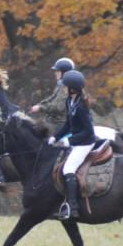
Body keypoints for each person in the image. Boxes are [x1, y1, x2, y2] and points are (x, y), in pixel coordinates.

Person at [47, 70, 95, 219]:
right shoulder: (70, 102)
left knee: (68, 168)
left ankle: (72, 207)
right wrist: (55, 137)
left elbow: (88, 132)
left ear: (72, 88)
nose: (63, 88)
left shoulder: (81, 106)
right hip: (77, 141)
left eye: (65, 86)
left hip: (85, 143)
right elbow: (68, 124)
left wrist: (71, 141)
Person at [29, 57, 74, 133]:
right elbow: (51, 98)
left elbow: (58, 107)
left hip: (59, 124)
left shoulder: (67, 88)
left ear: (64, 72)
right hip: (52, 121)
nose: (55, 73)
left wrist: (40, 107)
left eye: (57, 71)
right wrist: (38, 105)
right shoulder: (61, 85)